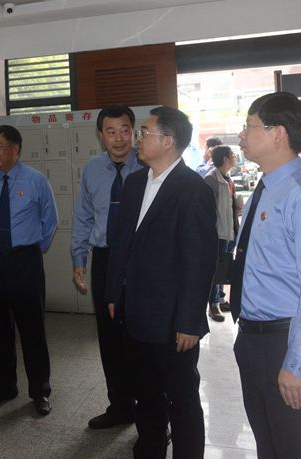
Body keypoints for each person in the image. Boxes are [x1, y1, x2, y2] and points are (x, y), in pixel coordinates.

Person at [231, 92, 301, 459]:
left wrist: (296, 364)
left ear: (277, 133)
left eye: (249, 126)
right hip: (254, 340)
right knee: (271, 445)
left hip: (291, 343)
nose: (241, 135)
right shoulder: (264, 190)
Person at [105, 106, 217, 458]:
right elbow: (121, 243)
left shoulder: (193, 189)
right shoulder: (136, 182)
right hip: (135, 314)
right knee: (146, 393)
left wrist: (190, 321)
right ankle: (150, 448)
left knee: (182, 399)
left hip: (172, 322)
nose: (137, 138)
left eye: (144, 132)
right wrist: (114, 293)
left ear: (168, 141)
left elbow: (199, 261)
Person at [0, 125, 58, 416]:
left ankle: (40, 391)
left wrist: (30, 248)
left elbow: (50, 220)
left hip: (25, 260)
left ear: (15, 149)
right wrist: (0, 244)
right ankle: (5, 386)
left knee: (31, 328)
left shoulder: (35, 180)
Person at [71, 106, 142, 430]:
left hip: (140, 261)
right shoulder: (92, 169)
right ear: (101, 135)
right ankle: (120, 407)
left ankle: (153, 414)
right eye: (111, 132)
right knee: (110, 337)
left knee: (143, 338)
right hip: (104, 259)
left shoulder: (148, 165)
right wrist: (79, 259)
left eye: (125, 130)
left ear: (134, 132)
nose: (119, 138)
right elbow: (83, 217)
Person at [203, 145, 237, 322]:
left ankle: (221, 299)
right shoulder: (211, 179)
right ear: (225, 159)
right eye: (232, 155)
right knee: (215, 269)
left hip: (230, 230)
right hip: (218, 233)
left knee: (224, 266)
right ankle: (213, 304)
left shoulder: (228, 178)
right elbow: (207, 210)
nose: (235, 158)